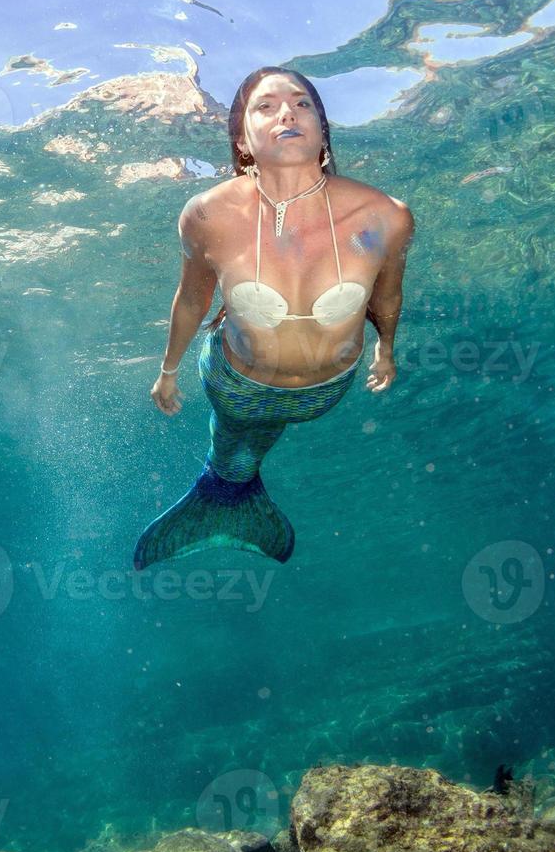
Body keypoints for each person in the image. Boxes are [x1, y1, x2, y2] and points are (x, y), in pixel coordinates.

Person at [134, 66, 415, 571]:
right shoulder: (207, 214)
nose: (287, 111)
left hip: (321, 393)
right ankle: (225, 492)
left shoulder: (386, 215)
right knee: (237, 436)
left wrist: (386, 348)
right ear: (242, 138)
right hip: (234, 378)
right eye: (266, 106)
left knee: (259, 433)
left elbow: (388, 295)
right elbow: (192, 300)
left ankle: (228, 494)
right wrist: (169, 370)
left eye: (302, 103)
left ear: (323, 130)